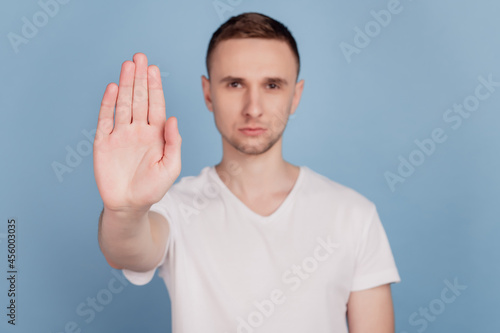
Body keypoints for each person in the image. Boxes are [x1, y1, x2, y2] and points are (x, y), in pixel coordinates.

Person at [95, 12, 401, 333]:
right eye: (235, 83)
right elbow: (127, 251)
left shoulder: (354, 216)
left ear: (295, 96)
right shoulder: (176, 208)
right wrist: (125, 210)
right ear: (208, 93)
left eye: (272, 85)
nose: (253, 107)